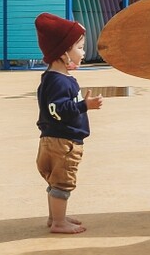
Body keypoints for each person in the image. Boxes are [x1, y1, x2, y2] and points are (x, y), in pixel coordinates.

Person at [34, 12, 103, 234]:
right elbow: (59, 110)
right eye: (80, 47)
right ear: (64, 53)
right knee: (62, 185)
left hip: (51, 141)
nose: (83, 52)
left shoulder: (52, 78)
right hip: (63, 143)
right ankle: (58, 222)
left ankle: (55, 216)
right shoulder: (59, 82)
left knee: (55, 183)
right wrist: (85, 105)